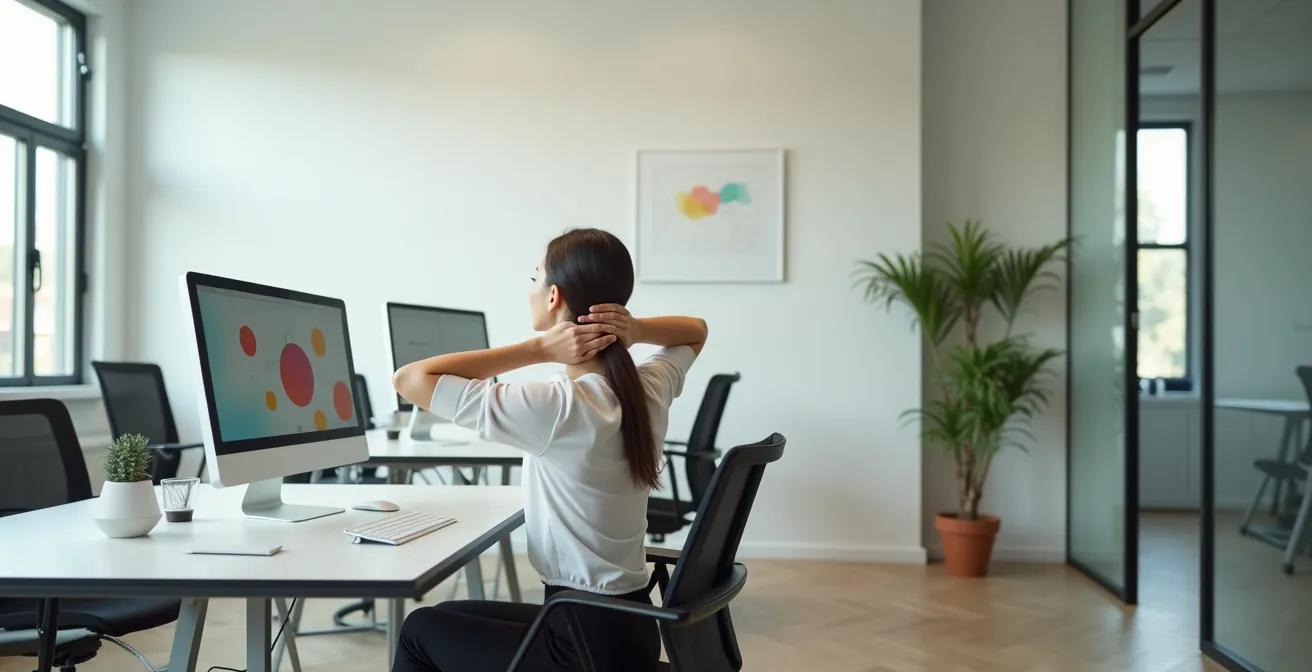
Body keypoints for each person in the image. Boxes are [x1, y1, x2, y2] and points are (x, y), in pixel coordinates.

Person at [390, 227, 708, 672]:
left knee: (419, 632)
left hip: (579, 648)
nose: (531, 288)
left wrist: (538, 348)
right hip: (630, 627)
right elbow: (696, 331)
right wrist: (633, 329)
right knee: (443, 616)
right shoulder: (647, 388)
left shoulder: (557, 406)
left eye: (534, 277)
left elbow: (409, 379)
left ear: (554, 296)